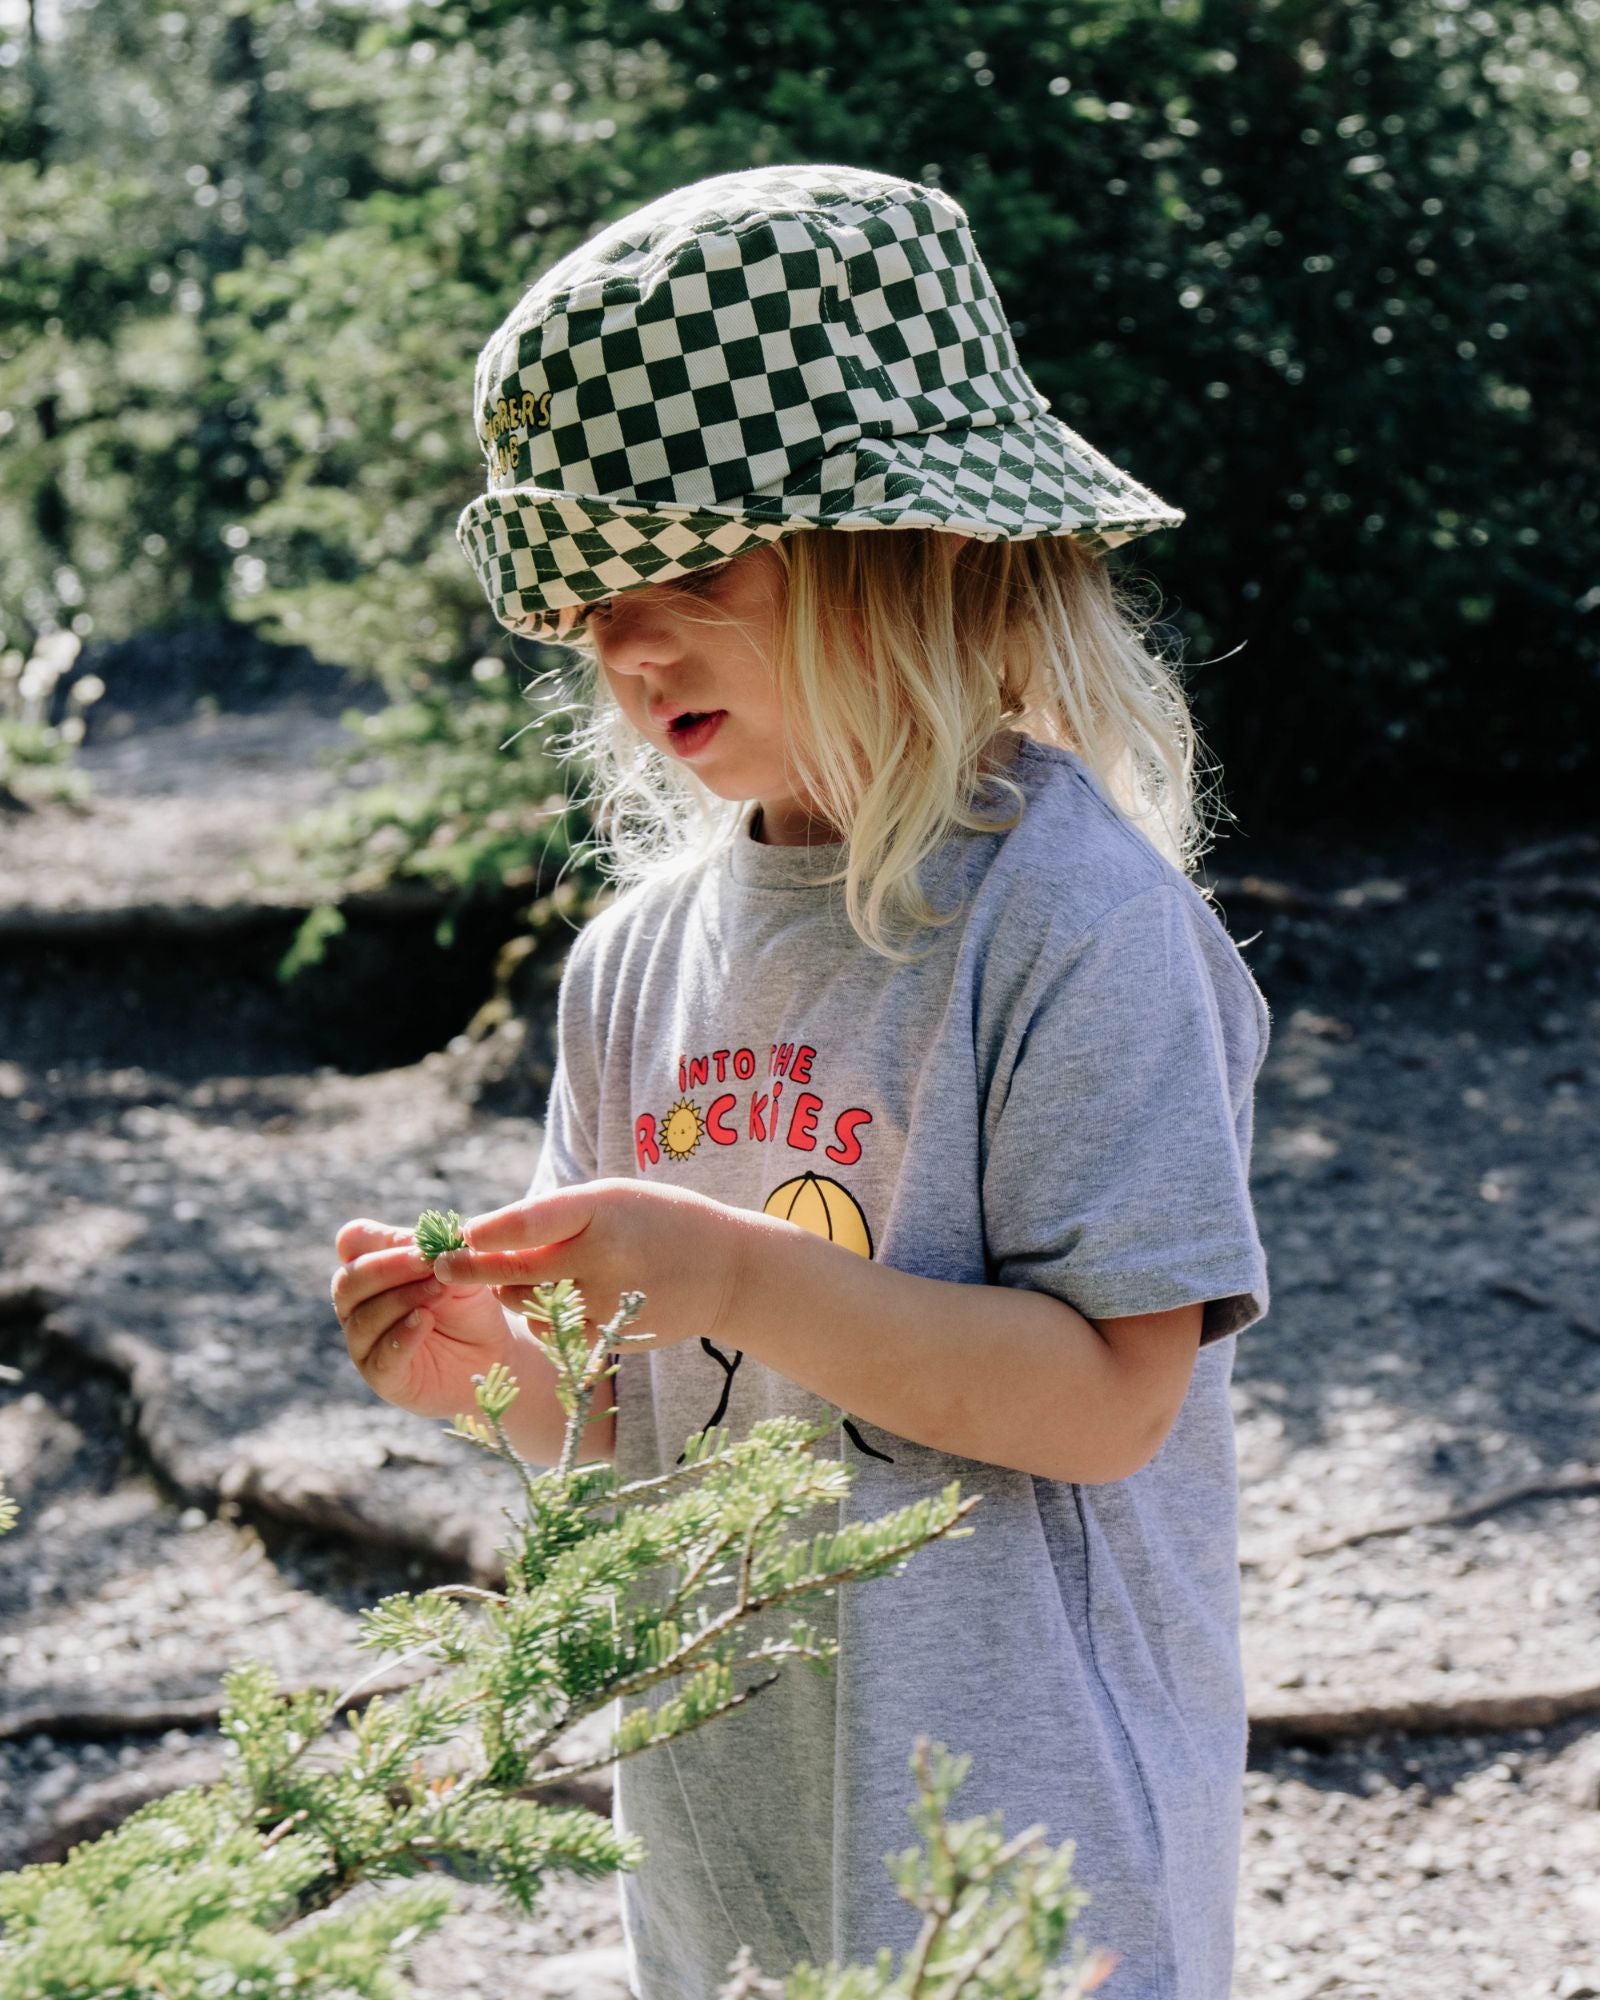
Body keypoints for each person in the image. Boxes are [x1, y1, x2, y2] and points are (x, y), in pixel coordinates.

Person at [331, 163, 1272, 2000]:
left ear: (919, 548)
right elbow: (633, 1428)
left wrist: (733, 1272)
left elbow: (1104, 1407)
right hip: (728, 1813)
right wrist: (490, 1382)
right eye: (590, 588)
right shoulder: (634, 967)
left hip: (1020, 1837)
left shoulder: (1074, 927)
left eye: (687, 562)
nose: (621, 632)